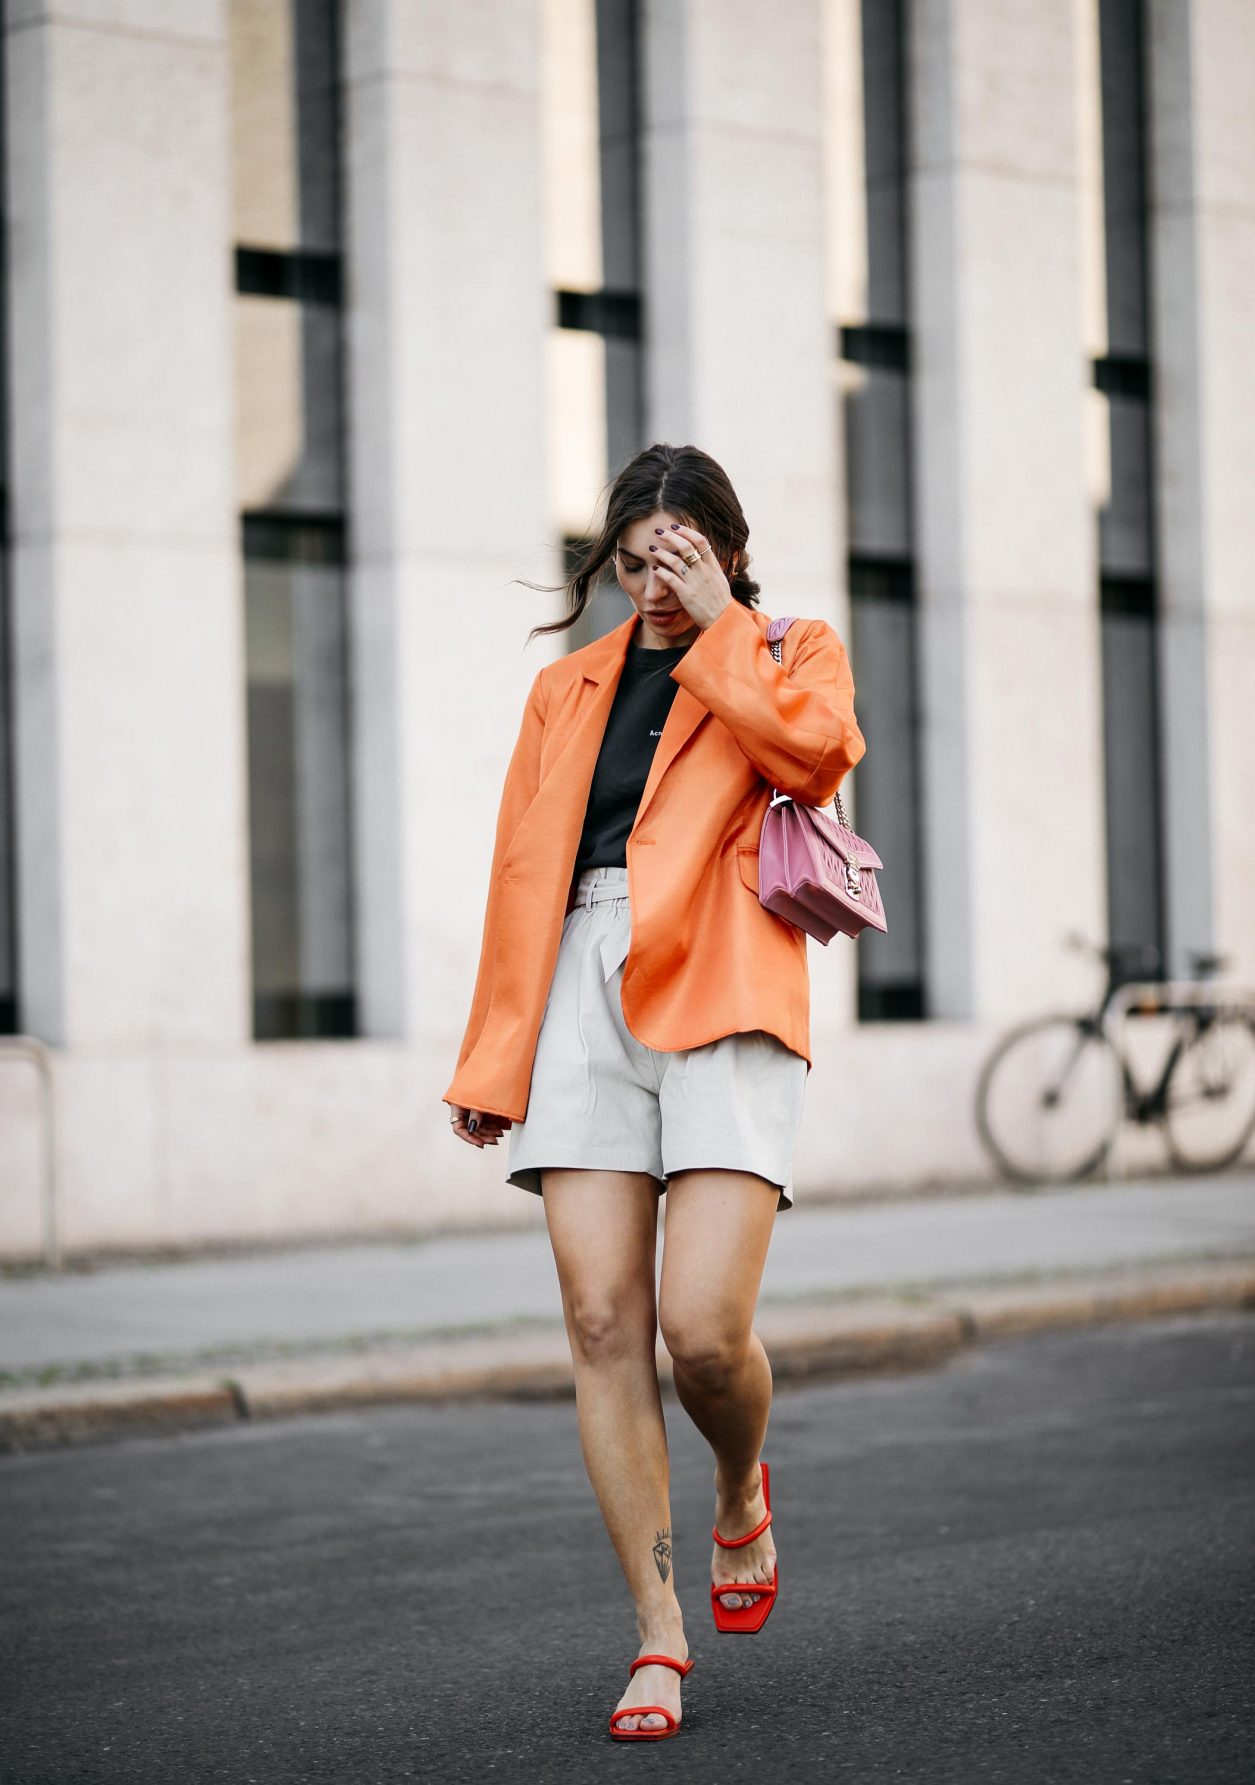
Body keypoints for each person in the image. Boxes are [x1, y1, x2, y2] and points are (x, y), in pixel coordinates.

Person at [444, 442, 866, 1742]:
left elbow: (813, 756)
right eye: (633, 567)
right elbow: (526, 875)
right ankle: (657, 1631)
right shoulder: (562, 689)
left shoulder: (786, 647)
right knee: (598, 1315)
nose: (653, 589)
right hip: (581, 984)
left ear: (730, 550)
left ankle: (741, 1480)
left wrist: (724, 626)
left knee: (698, 1327)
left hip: (729, 974)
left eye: (678, 562)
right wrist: (494, 1051)